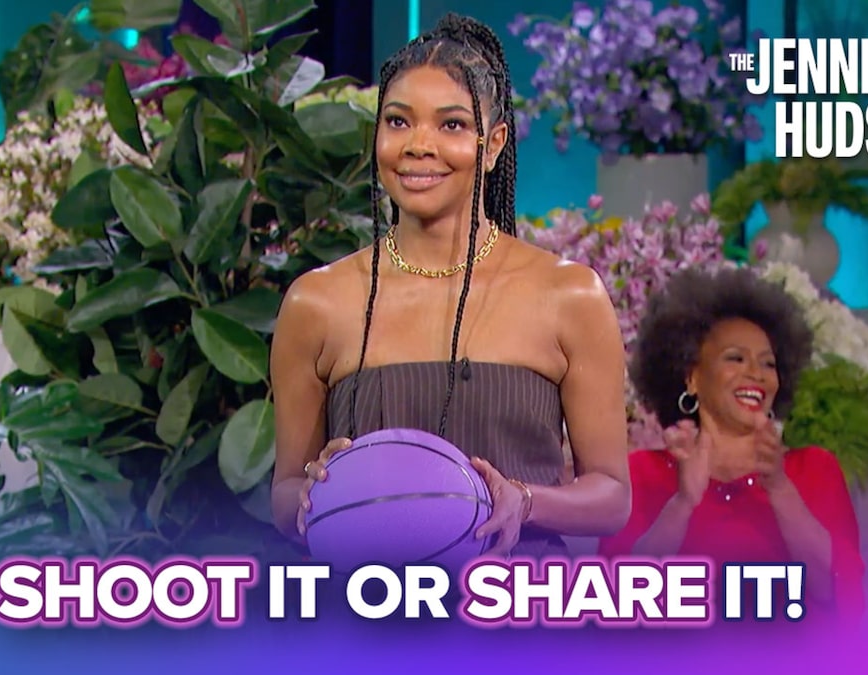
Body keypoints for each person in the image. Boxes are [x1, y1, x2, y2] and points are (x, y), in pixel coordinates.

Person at [268, 13, 631, 560]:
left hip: (515, 600)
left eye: (452, 125)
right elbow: (284, 493)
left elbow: (611, 495)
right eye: (398, 121)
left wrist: (524, 500)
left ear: (494, 145)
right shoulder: (316, 302)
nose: (419, 145)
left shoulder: (570, 296)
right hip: (372, 603)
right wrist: (313, 495)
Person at [597, 267, 865, 622]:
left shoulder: (815, 469)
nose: (756, 373)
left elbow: (841, 593)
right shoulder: (641, 474)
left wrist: (780, 489)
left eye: (768, 363)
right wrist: (682, 504)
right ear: (692, 376)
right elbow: (617, 602)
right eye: (736, 358)